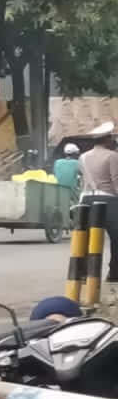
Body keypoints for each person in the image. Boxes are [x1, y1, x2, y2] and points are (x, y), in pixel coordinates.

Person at [78, 121, 118, 283]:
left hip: (87, 200)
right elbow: (116, 183)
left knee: (84, 238)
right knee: (116, 238)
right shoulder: (113, 156)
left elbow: (84, 182)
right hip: (108, 200)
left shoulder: (83, 157)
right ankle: (114, 272)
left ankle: (82, 273)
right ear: (107, 140)